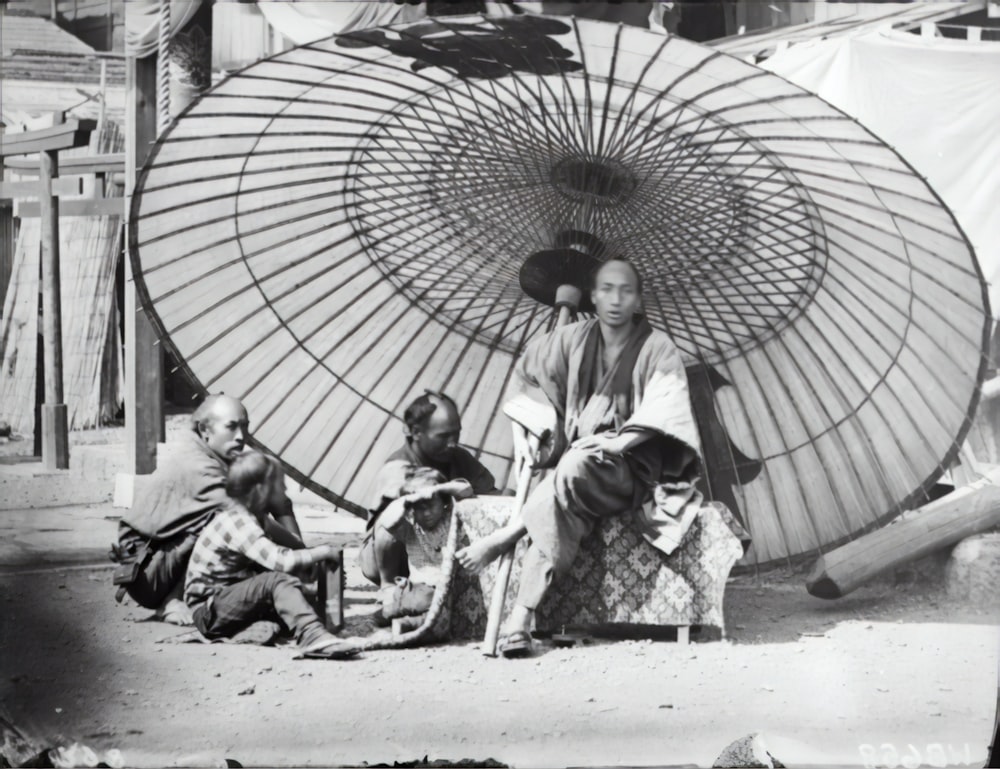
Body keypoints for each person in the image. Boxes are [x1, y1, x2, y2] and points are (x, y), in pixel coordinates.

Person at [456, 259, 703, 657]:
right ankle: (520, 620)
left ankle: (506, 537)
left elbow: (668, 405)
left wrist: (618, 444)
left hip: (628, 470)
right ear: (593, 296)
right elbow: (528, 382)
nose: (616, 299)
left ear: (638, 298)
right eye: (606, 289)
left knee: (571, 470)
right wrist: (537, 430)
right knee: (561, 492)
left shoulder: (657, 348)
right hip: (573, 463)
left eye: (626, 290)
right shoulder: (571, 338)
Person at [111, 394, 304, 624]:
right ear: (205, 430)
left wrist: (281, 504)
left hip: (162, 558)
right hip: (147, 573)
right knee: (224, 521)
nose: (241, 437)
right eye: (231, 427)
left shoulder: (213, 455)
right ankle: (173, 601)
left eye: (245, 427)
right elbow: (251, 523)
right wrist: (302, 554)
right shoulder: (199, 466)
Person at [183, 451, 351, 658]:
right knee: (276, 581)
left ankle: (248, 630)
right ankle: (312, 636)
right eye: (280, 484)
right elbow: (281, 561)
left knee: (296, 597)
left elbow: (296, 547)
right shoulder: (238, 522)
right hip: (209, 610)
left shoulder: (257, 518)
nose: (286, 489)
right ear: (261, 491)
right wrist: (323, 551)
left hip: (231, 603)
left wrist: (317, 567)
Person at [360, 391, 497, 592]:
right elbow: (395, 522)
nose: (452, 442)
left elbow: (492, 493)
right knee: (395, 517)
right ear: (416, 432)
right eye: (443, 436)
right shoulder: (397, 468)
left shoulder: (456, 456)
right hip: (393, 560)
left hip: (438, 552)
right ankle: (388, 589)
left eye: (456, 434)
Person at [368, 467, 472, 622]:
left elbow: (467, 489)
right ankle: (406, 616)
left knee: (430, 602)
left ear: (443, 502)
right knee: (420, 598)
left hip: (449, 588)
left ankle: (406, 618)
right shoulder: (410, 527)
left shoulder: (450, 516)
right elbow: (385, 522)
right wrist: (408, 499)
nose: (427, 513)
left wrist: (437, 489)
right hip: (418, 588)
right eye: (420, 508)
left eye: (431, 506)